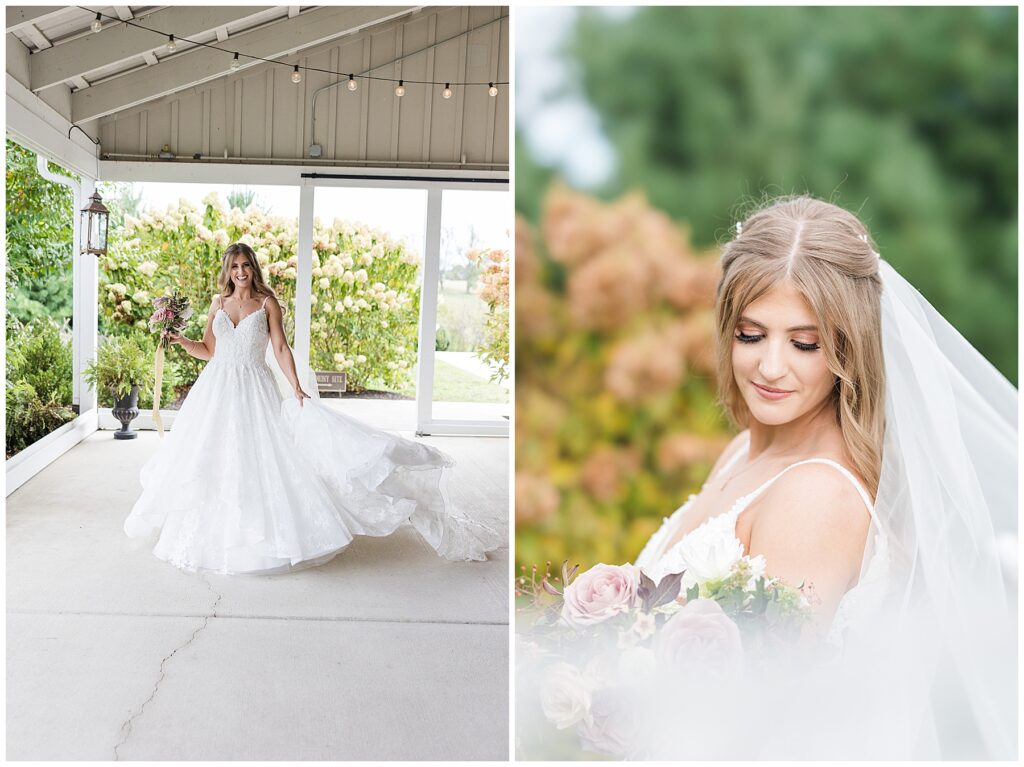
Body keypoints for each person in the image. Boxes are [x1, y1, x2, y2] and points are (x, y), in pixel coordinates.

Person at [522, 196, 1017, 760]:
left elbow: (758, 724)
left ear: (848, 350)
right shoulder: (740, 452)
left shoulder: (818, 495)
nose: (771, 367)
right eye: (751, 335)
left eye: (805, 343)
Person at [124, 242, 503, 574]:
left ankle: (269, 538)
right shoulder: (218, 304)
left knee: (263, 461)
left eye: (246, 265)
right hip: (218, 389)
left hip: (255, 387)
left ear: (253, 268)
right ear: (227, 271)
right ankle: (213, 537)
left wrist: (296, 386)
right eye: (234, 267)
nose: (240, 272)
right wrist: (177, 339)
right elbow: (208, 350)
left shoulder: (267, 303)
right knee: (211, 460)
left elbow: (281, 348)